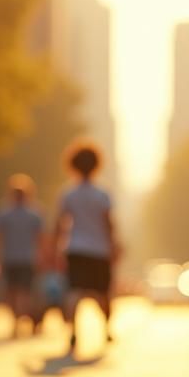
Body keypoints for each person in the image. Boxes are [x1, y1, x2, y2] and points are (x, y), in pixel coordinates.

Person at [52, 141, 120, 353]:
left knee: (74, 292)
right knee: (102, 293)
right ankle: (106, 328)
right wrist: (113, 246)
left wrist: (54, 249)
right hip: (99, 251)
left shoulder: (68, 194)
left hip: (76, 250)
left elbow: (59, 224)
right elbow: (109, 224)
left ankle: (73, 331)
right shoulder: (102, 194)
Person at [0, 174, 45, 338]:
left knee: (17, 293)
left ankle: (18, 322)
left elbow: (40, 238)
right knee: (17, 293)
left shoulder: (28, 213)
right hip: (17, 259)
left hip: (20, 259)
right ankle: (22, 319)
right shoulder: (9, 213)